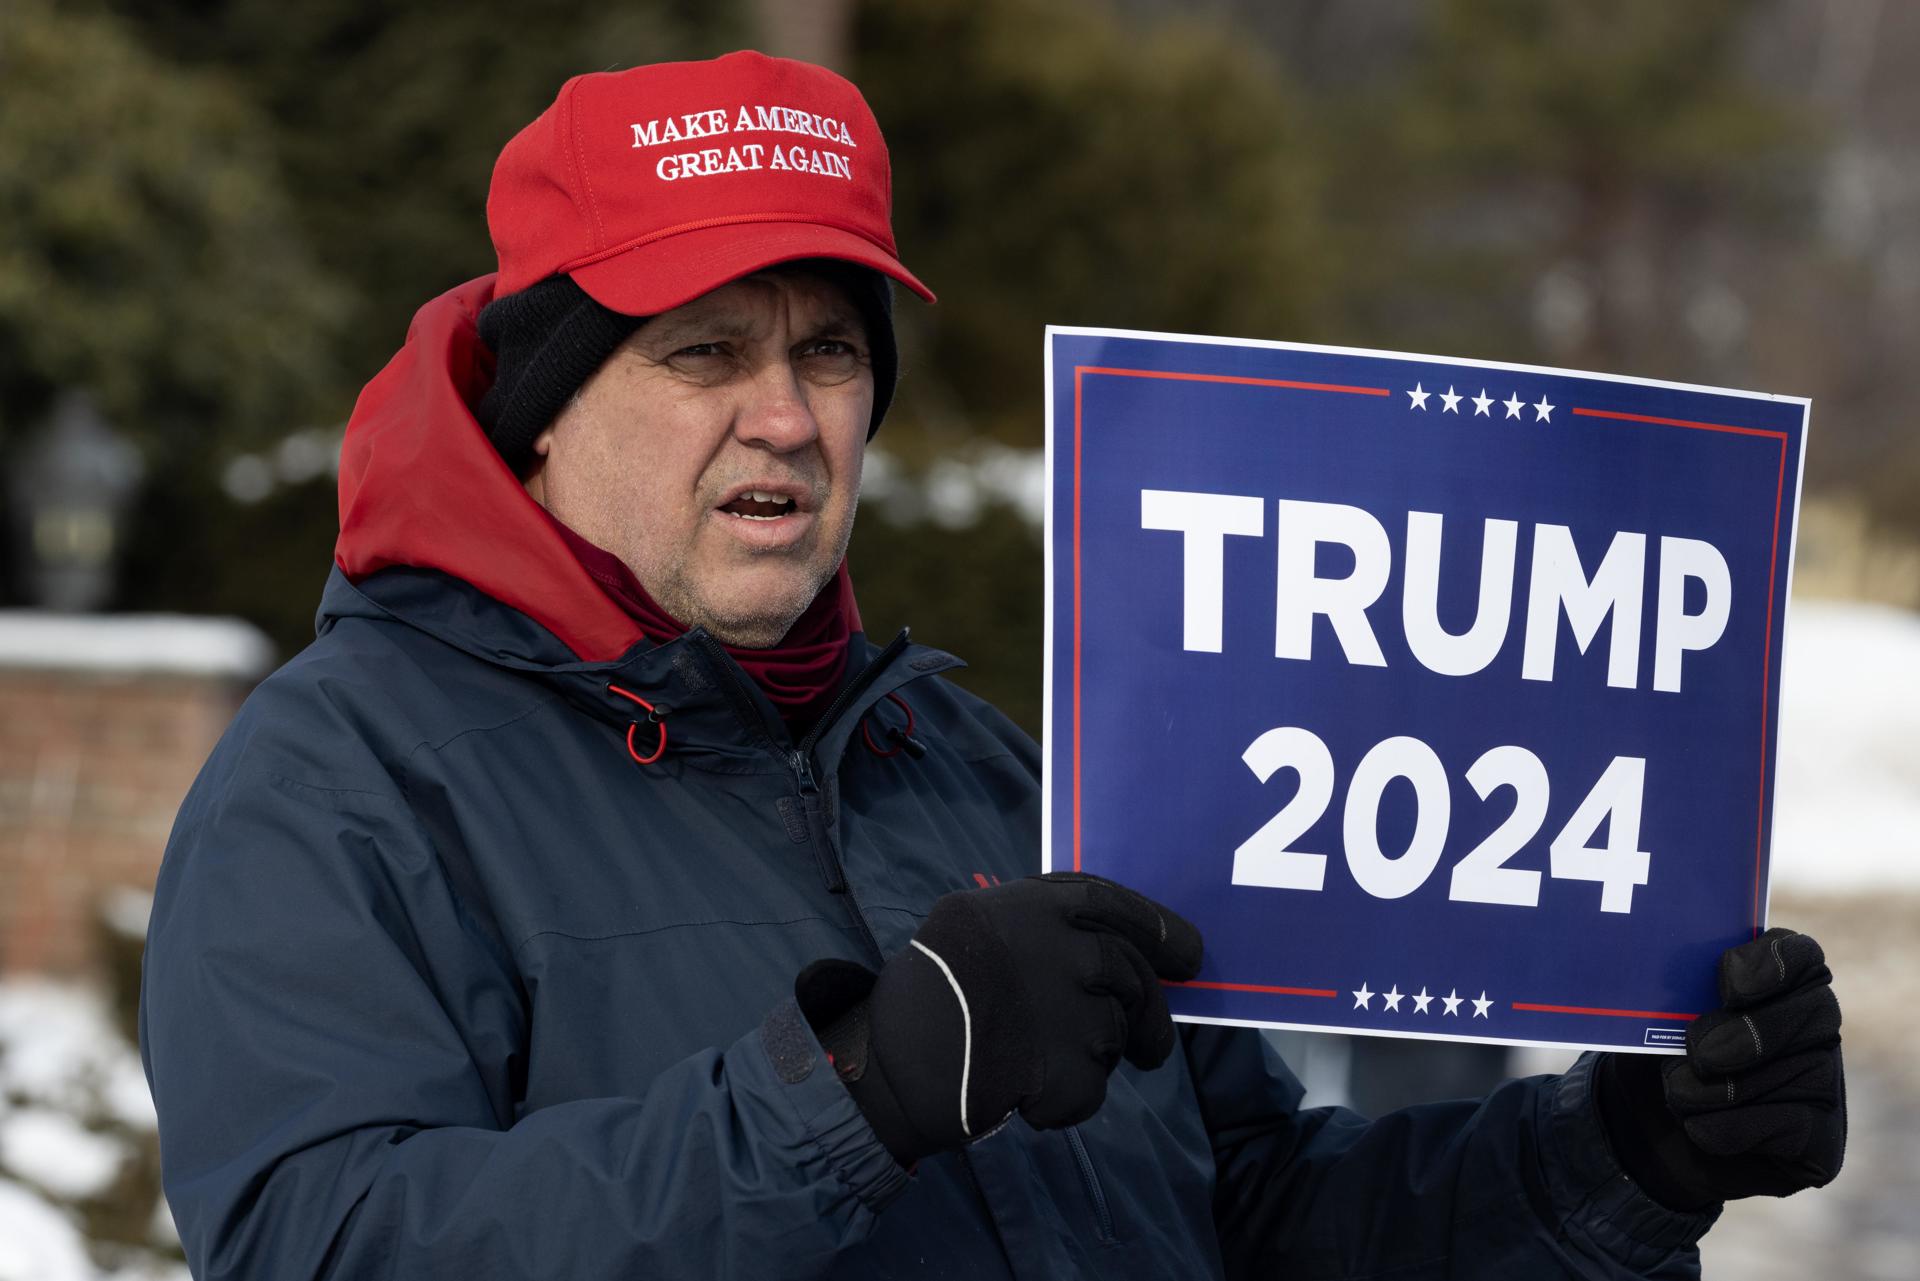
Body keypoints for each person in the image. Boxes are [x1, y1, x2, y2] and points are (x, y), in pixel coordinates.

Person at [140, 50, 1846, 1280]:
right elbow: (322, 1242)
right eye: (704, 352)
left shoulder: (982, 768)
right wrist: (856, 1092)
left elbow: (1249, 1206)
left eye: (829, 351)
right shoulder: (341, 778)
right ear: (540, 406)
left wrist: (1619, 1155)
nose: (786, 415)